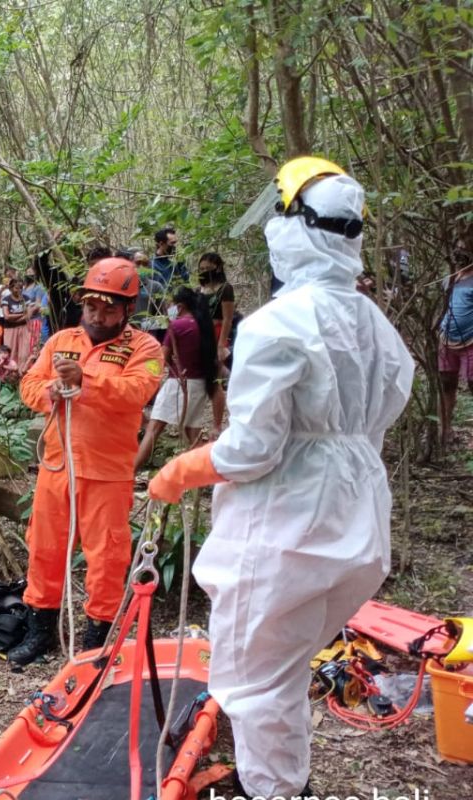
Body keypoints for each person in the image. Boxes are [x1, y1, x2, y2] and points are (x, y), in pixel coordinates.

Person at [148, 158, 414, 799]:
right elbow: (373, 421)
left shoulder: (275, 325)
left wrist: (179, 470)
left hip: (286, 532)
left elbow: (251, 451)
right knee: (285, 667)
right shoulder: (376, 326)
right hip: (357, 527)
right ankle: (276, 779)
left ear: (294, 229)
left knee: (252, 677)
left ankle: (271, 791)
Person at [7, 257, 163, 667]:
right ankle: (40, 630)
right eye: (91, 307)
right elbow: (29, 383)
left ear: (127, 309)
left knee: (108, 557)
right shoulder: (60, 341)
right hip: (57, 467)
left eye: (109, 308)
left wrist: (85, 381)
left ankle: (97, 640)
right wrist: (51, 393)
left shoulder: (145, 348)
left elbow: (137, 391)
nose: (98, 315)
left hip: (107, 473)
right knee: (44, 549)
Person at [133, 287, 221, 471]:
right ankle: (208, 474)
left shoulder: (177, 326)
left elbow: (160, 358)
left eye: (172, 305)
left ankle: (131, 471)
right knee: (192, 432)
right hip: (200, 384)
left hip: (178, 383)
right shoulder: (204, 325)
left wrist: (145, 376)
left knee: (154, 429)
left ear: (179, 306)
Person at [438, 250, 473, 450]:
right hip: (446, 339)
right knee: (446, 385)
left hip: (470, 340)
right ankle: (444, 430)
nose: (459, 254)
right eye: (456, 249)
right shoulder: (450, 278)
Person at [197, 252, 237, 364]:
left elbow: (227, 319)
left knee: (217, 366)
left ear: (218, 268)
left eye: (208, 268)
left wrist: (221, 344)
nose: (205, 271)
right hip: (201, 333)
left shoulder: (225, 288)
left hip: (218, 332)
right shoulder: (198, 290)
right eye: (202, 268)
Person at [0, 278, 33, 368]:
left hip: (24, 328)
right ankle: (10, 373)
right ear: (11, 288)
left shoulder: (26, 299)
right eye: (16, 288)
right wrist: (22, 314)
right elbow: (7, 316)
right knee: (11, 351)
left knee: (24, 352)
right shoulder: (6, 299)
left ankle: (22, 371)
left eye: (20, 288)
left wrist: (14, 318)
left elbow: (28, 315)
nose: (19, 290)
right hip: (10, 329)